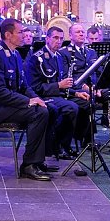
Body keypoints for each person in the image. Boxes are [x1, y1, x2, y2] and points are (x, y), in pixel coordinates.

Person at [0, 18, 52, 180]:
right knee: (38, 113)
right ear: (8, 34)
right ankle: (28, 165)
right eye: (20, 32)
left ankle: (38, 160)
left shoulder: (15, 54)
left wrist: (36, 98)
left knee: (48, 108)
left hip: (8, 105)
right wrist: (28, 102)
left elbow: (23, 86)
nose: (24, 35)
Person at [25, 26, 82, 159]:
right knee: (70, 108)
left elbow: (63, 82)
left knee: (82, 104)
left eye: (61, 38)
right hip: (43, 96)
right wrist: (58, 86)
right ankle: (59, 146)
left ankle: (64, 144)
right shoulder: (37, 58)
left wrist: (76, 93)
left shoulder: (59, 57)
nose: (59, 41)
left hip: (58, 95)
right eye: (55, 38)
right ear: (47, 38)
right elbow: (35, 87)